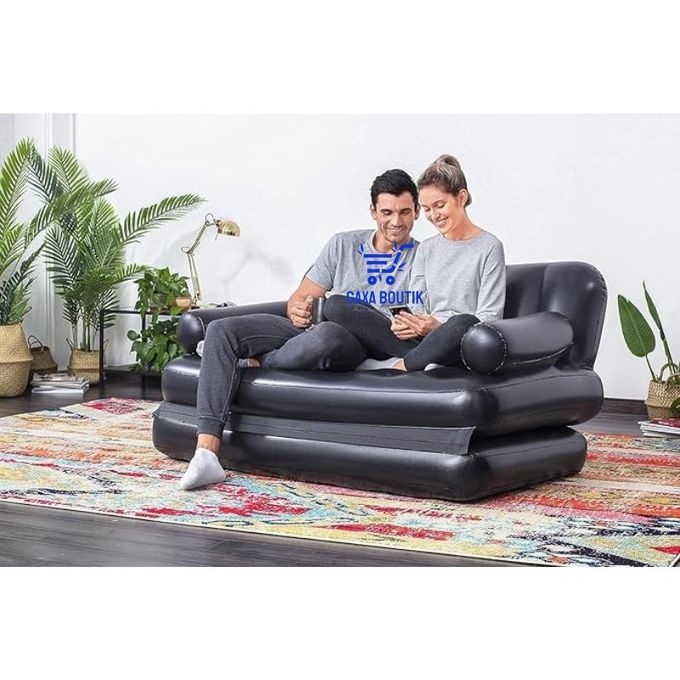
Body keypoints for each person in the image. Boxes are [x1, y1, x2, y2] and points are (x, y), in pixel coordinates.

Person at [179, 168, 421, 490]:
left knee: (327, 333)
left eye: (405, 212)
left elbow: (424, 320)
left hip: (352, 343)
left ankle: (259, 361)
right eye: (387, 212)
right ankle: (206, 453)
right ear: (373, 211)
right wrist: (298, 308)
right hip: (309, 330)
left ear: (417, 211)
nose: (396, 221)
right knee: (221, 330)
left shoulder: (424, 258)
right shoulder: (343, 245)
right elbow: (301, 296)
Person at [324, 154, 506, 371]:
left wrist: (437, 326)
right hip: (422, 338)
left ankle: (401, 365)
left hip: (458, 339)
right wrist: (410, 323)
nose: (434, 215)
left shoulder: (489, 247)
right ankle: (424, 360)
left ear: (461, 197)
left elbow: (489, 318)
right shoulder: (426, 248)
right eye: (427, 209)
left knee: (465, 322)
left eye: (440, 205)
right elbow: (417, 303)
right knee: (336, 304)